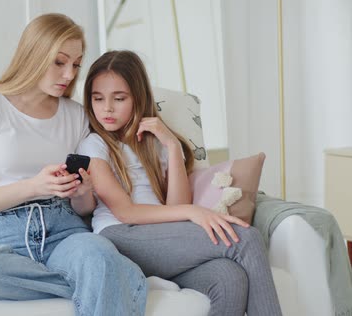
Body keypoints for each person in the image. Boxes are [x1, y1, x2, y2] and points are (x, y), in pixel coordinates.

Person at [0, 15, 147, 316]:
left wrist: (81, 193)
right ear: (34, 55)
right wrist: (33, 186)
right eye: (59, 62)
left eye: (76, 64)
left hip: (63, 230)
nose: (69, 74)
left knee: (98, 255)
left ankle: (103, 277)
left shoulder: (76, 115)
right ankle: (117, 281)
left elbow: (85, 208)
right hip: (0, 236)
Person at [77, 50, 282, 316]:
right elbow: (125, 212)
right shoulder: (94, 145)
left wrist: (172, 145)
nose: (107, 108)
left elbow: (176, 204)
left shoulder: (153, 144)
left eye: (119, 98)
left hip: (160, 241)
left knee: (229, 278)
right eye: (98, 98)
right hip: (120, 236)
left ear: (138, 98)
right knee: (247, 239)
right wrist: (192, 212)